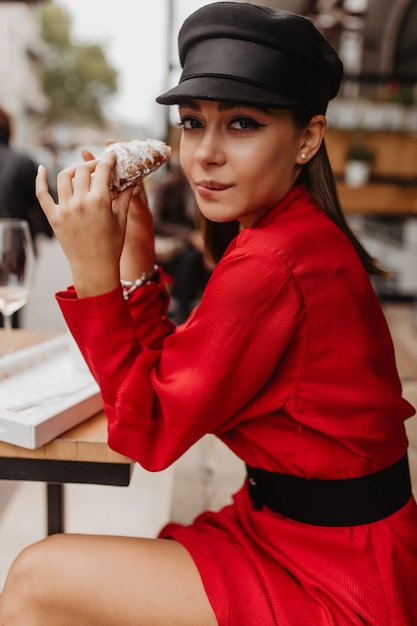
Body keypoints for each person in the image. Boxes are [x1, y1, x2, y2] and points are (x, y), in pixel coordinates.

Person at [1, 3, 416, 624]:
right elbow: (172, 379)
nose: (205, 153)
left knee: (37, 577)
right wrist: (137, 254)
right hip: (305, 536)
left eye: (243, 124)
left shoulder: (273, 260)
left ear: (308, 137)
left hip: (335, 574)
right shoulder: (286, 233)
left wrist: (94, 275)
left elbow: (149, 434)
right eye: (193, 123)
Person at [0, 105, 53, 328]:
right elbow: (41, 201)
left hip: (14, 242)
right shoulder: (23, 161)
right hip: (14, 245)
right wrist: (47, 232)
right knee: (12, 312)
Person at [152, 160, 211, 323]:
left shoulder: (202, 187)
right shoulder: (169, 185)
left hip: (191, 244)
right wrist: (189, 235)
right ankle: (182, 310)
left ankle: (198, 307)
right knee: (190, 259)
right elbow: (157, 223)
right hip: (171, 246)